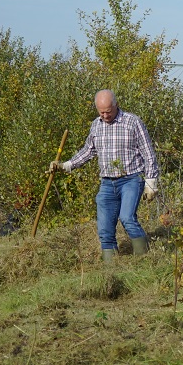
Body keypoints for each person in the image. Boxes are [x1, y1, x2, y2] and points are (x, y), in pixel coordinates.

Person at [50, 89, 159, 263]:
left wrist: (151, 181)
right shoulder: (96, 125)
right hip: (107, 183)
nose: (105, 115)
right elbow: (88, 151)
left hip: (131, 179)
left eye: (108, 111)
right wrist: (67, 165)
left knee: (127, 218)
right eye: (101, 112)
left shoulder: (132, 122)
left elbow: (148, 152)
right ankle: (110, 268)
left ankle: (144, 261)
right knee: (105, 229)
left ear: (116, 105)